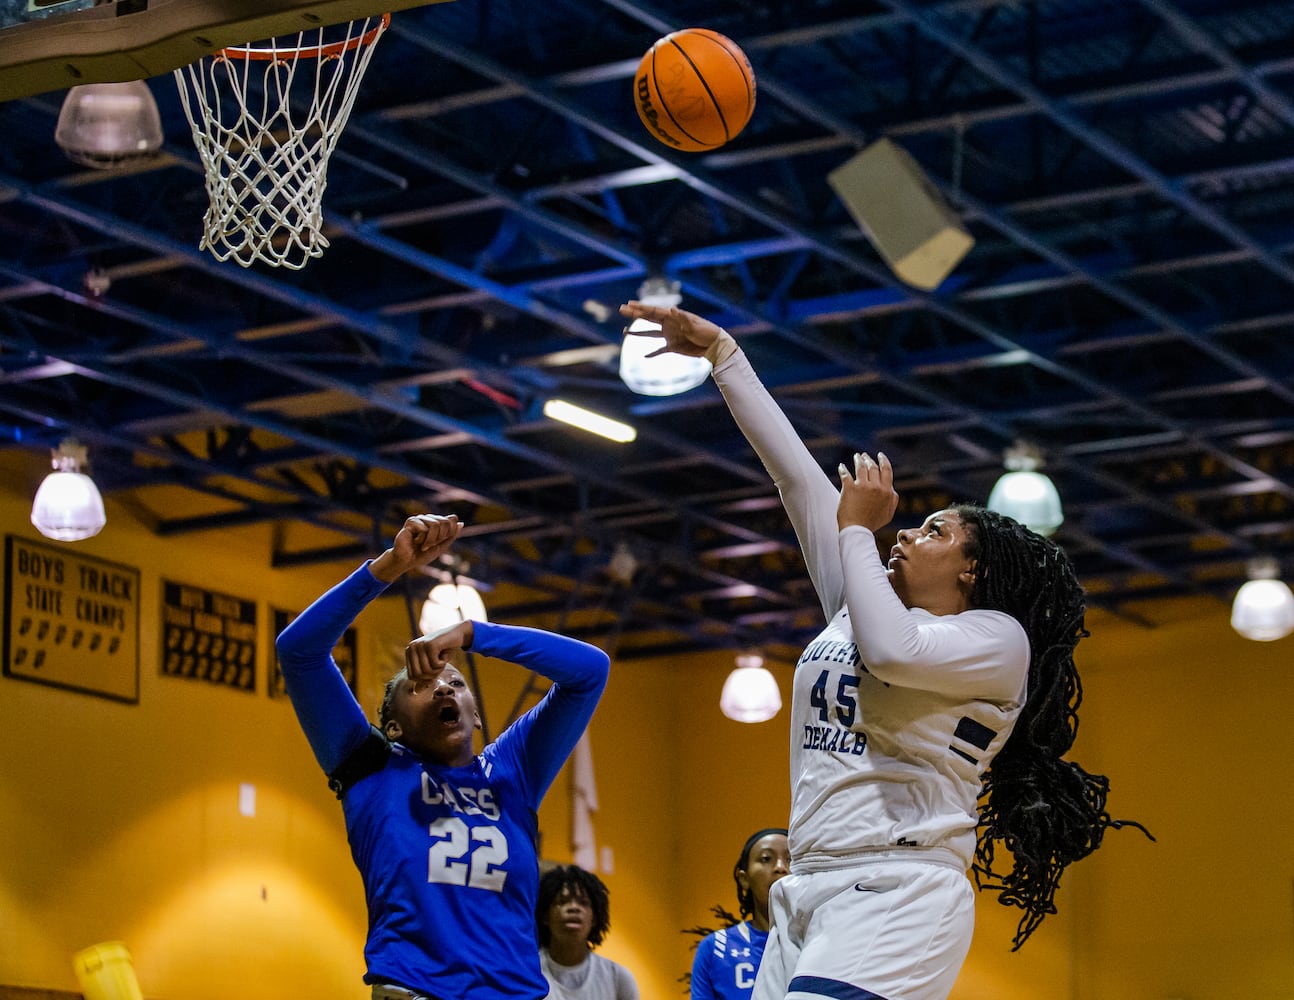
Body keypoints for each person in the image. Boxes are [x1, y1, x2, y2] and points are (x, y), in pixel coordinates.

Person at [619, 301, 1150, 1000]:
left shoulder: (997, 640)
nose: (904, 535)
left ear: (973, 572)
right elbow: (799, 482)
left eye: (932, 532)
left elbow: (894, 654)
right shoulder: (863, 604)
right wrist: (724, 355)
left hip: (899, 889)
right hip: (808, 884)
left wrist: (855, 533)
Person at [275, 513, 610, 1000]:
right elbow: (299, 652)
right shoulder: (371, 767)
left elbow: (590, 671)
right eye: (420, 685)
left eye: (454, 681)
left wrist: (474, 633)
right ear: (392, 727)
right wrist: (388, 568)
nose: (442, 688)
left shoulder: (511, 770)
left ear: (476, 718)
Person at [688, 828, 791, 1000]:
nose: (780, 867)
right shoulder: (716, 948)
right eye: (766, 859)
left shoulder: (819, 940)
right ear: (744, 878)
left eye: (791, 859)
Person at [536, 863, 640, 1000]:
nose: (574, 908)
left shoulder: (618, 978)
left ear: (595, 918)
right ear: (545, 916)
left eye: (583, 903)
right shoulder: (529, 972)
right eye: (562, 901)